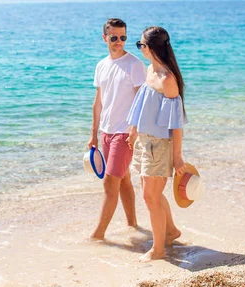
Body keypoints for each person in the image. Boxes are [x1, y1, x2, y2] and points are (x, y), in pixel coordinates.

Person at [126, 26, 188, 261]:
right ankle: (170, 231)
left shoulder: (167, 79)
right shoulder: (151, 70)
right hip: (144, 141)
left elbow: (176, 123)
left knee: (150, 197)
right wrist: (133, 130)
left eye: (140, 45)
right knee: (150, 193)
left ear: (150, 48)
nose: (140, 48)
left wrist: (178, 156)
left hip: (159, 146)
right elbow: (143, 104)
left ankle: (158, 250)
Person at [88, 18, 147, 240]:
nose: (119, 42)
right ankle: (133, 225)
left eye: (123, 37)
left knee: (110, 180)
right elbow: (98, 103)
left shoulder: (134, 65)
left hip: (125, 132)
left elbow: (143, 100)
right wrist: (93, 134)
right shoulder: (101, 65)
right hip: (106, 131)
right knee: (123, 179)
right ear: (105, 38)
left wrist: (134, 129)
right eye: (114, 38)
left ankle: (98, 235)